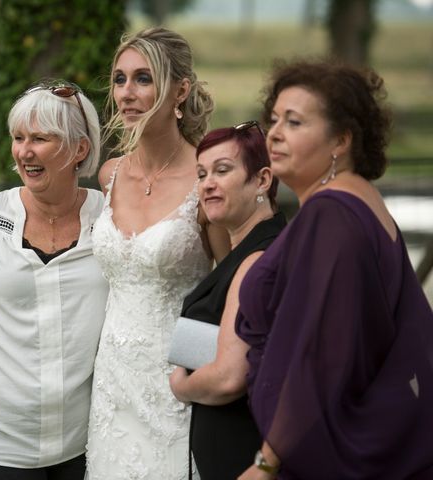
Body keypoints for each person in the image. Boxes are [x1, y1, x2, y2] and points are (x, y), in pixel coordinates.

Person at [235, 60, 433, 479]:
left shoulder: (331, 214)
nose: (274, 133)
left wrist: (266, 462)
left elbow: (319, 354)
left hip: (319, 452)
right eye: (273, 119)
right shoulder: (360, 200)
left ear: (341, 139)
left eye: (295, 122)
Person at [0, 81, 108, 480]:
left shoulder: (112, 218)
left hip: (82, 444)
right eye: (18, 138)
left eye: (40, 139)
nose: (24, 151)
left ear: (80, 150)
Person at [86, 27, 229, 480]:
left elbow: (225, 291)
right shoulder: (108, 174)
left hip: (177, 383)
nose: (127, 93)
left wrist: (196, 380)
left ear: (180, 91)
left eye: (144, 79)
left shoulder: (206, 182)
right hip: (111, 385)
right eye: (120, 79)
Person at [168, 122, 285, 480]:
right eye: (202, 174)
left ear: (263, 180)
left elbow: (229, 377)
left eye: (222, 170)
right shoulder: (247, 250)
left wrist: (181, 386)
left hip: (244, 453)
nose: (208, 184)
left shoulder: (257, 259)